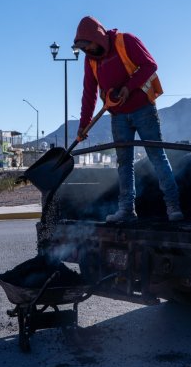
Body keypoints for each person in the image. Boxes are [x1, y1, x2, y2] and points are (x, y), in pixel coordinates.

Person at [73, 16, 183, 222]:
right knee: (124, 163)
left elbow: (150, 65)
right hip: (118, 116)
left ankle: (173, 206)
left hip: (144, 110)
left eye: (88, 46)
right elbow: (89, 93)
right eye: (83, 49)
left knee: (157, 156)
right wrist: (83, 124)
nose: (87, 52)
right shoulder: (91, 61)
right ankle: (126, 210)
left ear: (97, 37)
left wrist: (128, 88)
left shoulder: (126, 41)